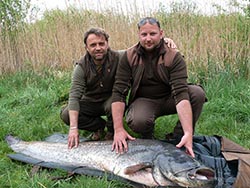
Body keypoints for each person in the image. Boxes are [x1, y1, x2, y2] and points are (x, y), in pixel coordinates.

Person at [60, 27, 177, 149]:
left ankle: (111, 131)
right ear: (86, 48)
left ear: (107, 44)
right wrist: (73, 128)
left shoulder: (120, 57)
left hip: (111, 100)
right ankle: (98, 126)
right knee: (66, 114)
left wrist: (162, 41)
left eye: (101, 43)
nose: (98, 48)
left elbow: (141, 48)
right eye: (93, 45)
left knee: (114, 103)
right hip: (90, 101)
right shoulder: (81, 67)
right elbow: (74, 96)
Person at [111, 17, 207, 158]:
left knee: (197, 93)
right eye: (144, 35)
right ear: (139, 35)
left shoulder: (174, 56)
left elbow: (180, 94)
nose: (148, 39)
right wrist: (118, 129)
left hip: (170, 99)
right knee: (139, 120)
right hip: (144, 100)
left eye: (153, 34)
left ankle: (179, 137)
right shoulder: (129, 56)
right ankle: (148, 136)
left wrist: (188, 132)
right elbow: (119, 93)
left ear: (161, 33)